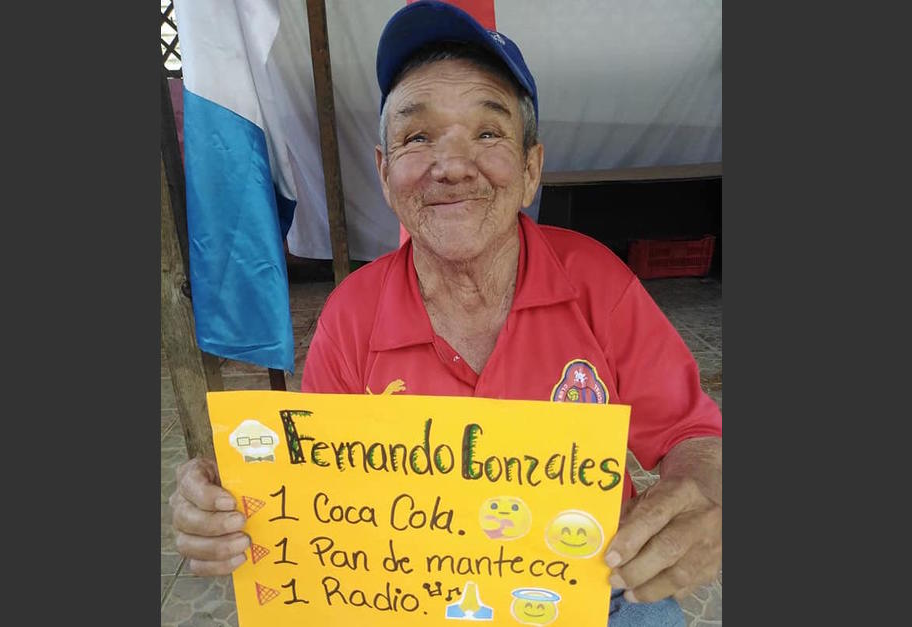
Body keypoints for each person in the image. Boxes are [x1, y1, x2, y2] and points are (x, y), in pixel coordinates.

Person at [170, 2, 721, 625]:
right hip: (412, 596)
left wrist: (707, 489)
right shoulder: (352, 315)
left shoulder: (598, 282)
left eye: (489, 134)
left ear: (531, 168)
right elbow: (316, 489)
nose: (453, 165)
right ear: (384, 172)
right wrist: (228, 505)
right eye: (416, 136)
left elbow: (692, 435)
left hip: (589, 587)